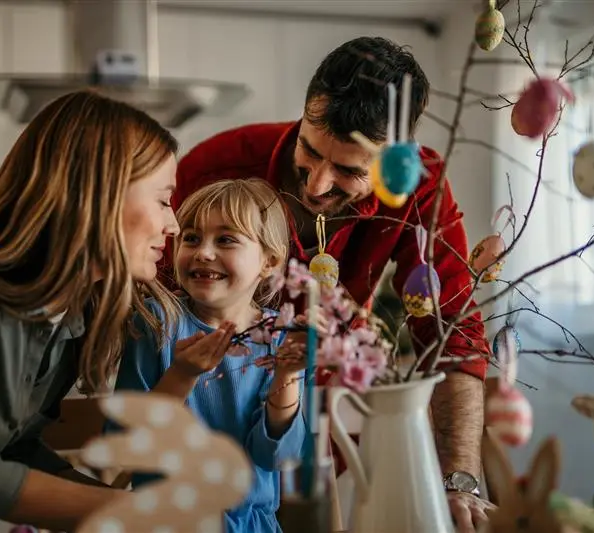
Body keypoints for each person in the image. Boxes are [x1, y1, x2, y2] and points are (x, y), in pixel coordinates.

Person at [0, 90, 234, 533]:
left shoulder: (73, 309)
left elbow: (13, 449)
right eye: (164, 199)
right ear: (100, 195)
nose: (173, 224)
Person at [162, 37, 494, 532]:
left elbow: (454, 338)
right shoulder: (219, 169)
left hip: (316, 431)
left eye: (347, 170)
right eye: (310, 151)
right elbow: (155, 318)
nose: (316, 184)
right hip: (202, 434)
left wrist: (458, 480)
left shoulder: (420, 189)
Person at [111, 179, 306, 533]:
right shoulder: (156, 324)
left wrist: (286, 375)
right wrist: (180, 373)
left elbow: (277, 456)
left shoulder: (282, 338)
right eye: (191, 237)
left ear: (269, 261)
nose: (203, 252)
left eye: (226, 239)